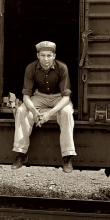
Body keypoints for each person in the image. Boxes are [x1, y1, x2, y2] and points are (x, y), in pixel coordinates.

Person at [11, 41, 76, 173]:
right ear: (38, 55)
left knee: (67, 112)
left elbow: (66, 97)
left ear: (54, 56)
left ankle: (67, 156)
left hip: (59, 97)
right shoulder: (31, 68)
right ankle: (21, 153)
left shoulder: (62, 67)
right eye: (42, 55)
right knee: (22, 110)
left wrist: (49, 113)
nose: (46, 59)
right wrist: (34, 111)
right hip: (39, 96)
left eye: (49, 55)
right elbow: (26, 96)